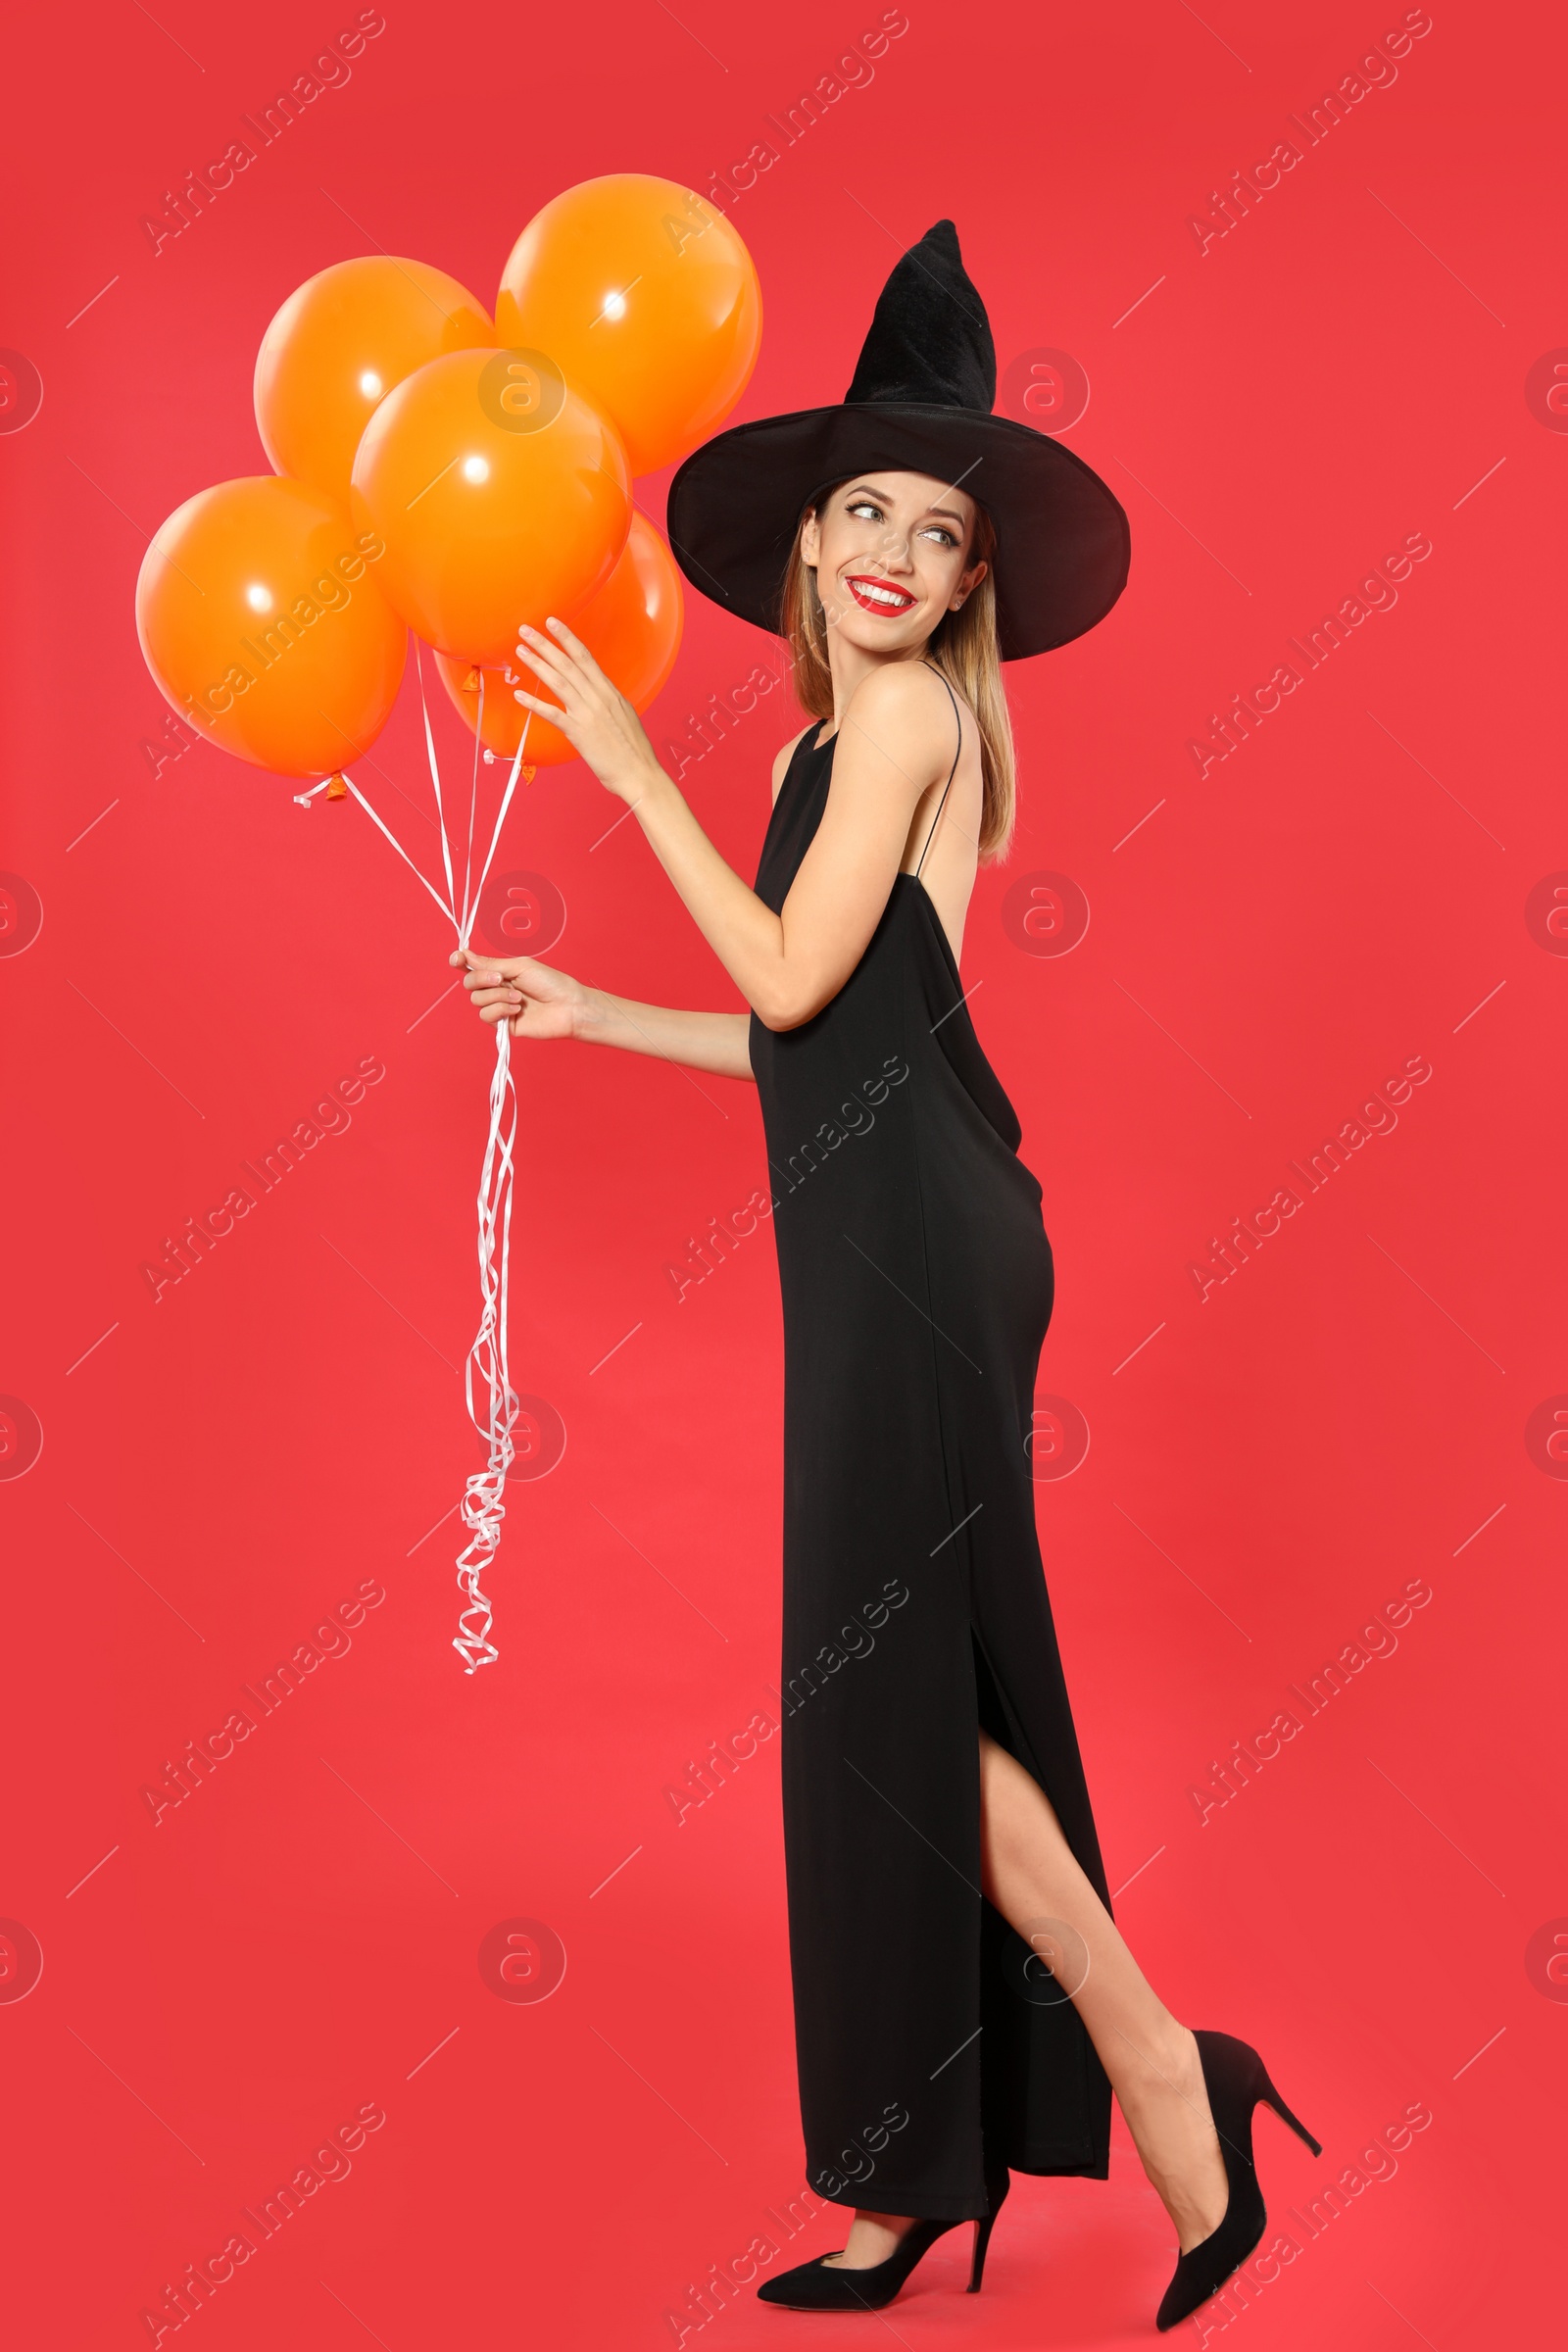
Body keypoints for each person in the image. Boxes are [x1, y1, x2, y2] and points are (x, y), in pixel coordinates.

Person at [453, 221, 1318, 2332]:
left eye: (931, 534)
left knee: (889, 1706)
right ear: (813, 542)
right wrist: (588, 1012)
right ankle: (941, 2159)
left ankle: (1137, 2077)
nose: (888, 555)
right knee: (886, 1716)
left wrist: (627, 774)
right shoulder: (800, 759)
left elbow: (783, 965)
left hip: (923, 1247)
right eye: (862, 512)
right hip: (875, 1223)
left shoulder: (915, 720)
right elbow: (790, 1027)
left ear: (958, 589)